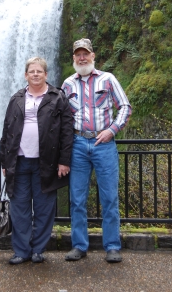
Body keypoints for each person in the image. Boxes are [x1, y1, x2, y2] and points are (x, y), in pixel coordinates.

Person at [62, 38, 132, 263]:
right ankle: (79, 245)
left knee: (109, 197)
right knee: (77, 198)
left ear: (93, 56)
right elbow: (61, 117)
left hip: (104, 145)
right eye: (78, 54)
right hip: (78, 144)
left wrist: (112, 130)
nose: (82, 58)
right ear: (74, 58)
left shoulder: (108, 79)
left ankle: (112, 246)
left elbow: (125, 106)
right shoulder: (67, 85)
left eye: (86, 54)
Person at [0, 57, 73, 264]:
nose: (35, 74)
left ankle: (38, 250)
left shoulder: (58, 97)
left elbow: (67, 132)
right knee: (19, 207)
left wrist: (64, 160)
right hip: (20, 161)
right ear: (26, 75)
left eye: (39, 71)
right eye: (32, 71)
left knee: (44, 208)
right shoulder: (16, 99)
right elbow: (6, 131)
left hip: (46, 162)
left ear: (46, 74)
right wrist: (4, 162)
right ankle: (21, 251)